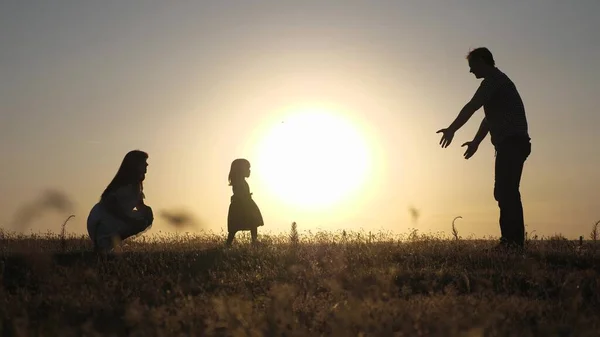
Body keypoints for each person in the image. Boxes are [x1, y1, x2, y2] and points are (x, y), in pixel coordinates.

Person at [436, 47, 531, 250]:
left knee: (507, 192)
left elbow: (472, 106)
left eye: (472, 66)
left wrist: (452, 129)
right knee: (505, 191)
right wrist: (476, 142)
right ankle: (512, 242)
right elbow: (489, 119)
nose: (471, 71)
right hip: (511, 144)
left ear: (482, 61)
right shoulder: (498, 83)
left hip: (512, 143)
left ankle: (512, 243)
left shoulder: (493, 81)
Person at [86, 150, 154, 252]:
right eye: (143, 162)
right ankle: (103, 244)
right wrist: (128, 220)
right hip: (101, 219)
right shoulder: (123, 183)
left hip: (115, 217)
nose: (147, 164)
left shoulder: (137, 184)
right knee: (138, 220)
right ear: (135, 165)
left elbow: (139, 205)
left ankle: (108, 246)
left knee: (145, 218)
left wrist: (147, 211)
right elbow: (109, 204)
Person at [226, 158, 264, 246]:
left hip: (244, 204)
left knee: (252, 224)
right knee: (239, 225)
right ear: (241, 170)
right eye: (247, 168)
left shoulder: (241, 181)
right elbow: (239, 193)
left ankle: (253, 241)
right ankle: (229, 243)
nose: (249, 171)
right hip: (242, 205)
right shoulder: (239, 182)